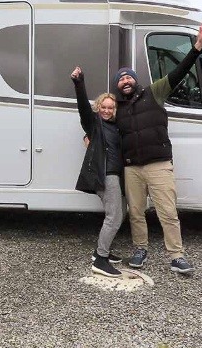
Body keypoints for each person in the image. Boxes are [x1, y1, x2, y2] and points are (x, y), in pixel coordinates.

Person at [115, 19, 202, 275]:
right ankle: (140, 248)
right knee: (135, 212)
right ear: (117, 86)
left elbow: (180, 72)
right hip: (132, 168)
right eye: (121, 79)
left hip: (158, 164)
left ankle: (176, 255)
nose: (125, 80)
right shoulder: (117, 108)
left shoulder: (155, 92)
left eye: (128, 77)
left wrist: (198, 47)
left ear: (135, 81)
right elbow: (98, 122)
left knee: (167, 212)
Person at [70, 68, 125, 278]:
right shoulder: (94, 124)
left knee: (120, 214)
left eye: (111, 107)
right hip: (106, 175)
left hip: (117, 175)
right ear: (98, 107)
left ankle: (100, 252)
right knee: (114, 216)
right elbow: (83, 107)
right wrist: (79, 82)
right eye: (103, 107)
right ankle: (101, 260)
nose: (107, 110)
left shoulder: (115, 126)